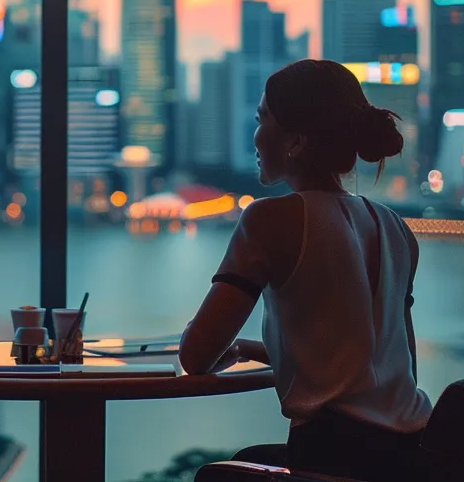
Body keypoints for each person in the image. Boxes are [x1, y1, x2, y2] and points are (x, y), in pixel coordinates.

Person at [177, 58, 432, 480]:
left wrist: (197, 334)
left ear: (295, 140)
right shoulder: (396, 228)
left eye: (262, 120)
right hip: (413, 453)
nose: (255, 136)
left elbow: (196, 356)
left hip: (334, 453)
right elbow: (374, 360)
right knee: (251, 454)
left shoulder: (268, 220)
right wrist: (249, 348)